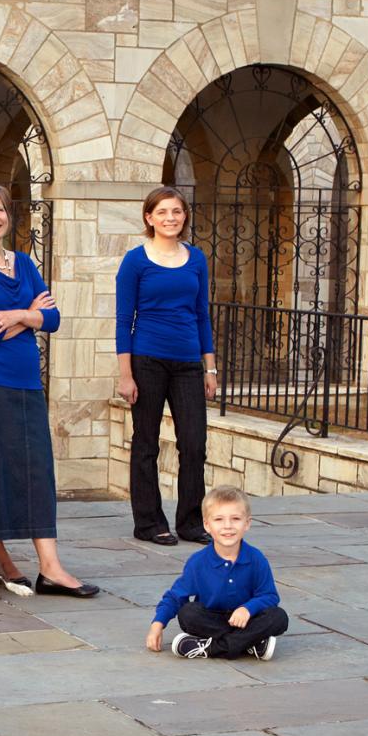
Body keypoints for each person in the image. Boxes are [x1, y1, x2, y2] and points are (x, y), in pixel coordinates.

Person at [0, 184, 98, 599]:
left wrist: (19, 315)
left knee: (37, 471)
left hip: (27, 382)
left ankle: (51, 567)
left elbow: (54, 317)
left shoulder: (24, 262)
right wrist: (32, 316)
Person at [116, 186, 218, 548]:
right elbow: (124, 319)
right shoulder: (135, 261)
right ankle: (148, 522)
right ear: (149, 218)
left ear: (184, 216)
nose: (170, 218)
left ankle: (190, 522)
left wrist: (210, 368)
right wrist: (125, 374)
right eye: (162, 212)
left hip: (189, 363)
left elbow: (202, 315)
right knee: (146, 443)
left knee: (194, 443)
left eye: (176, 212)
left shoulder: (196, 259)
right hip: (147, 360)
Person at [145, 485, 289, 660]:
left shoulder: (256, 559)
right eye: (219, 519)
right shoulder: (198, 562)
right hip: (212, 620)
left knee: (278, 617)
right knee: (188, 614)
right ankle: (250, 643)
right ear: (207, 525)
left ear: (247, 524)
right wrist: (157, 625)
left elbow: (269, 596)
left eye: (235, 518)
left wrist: (248, 608)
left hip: (246, 620)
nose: (227, 526)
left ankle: (211, 648)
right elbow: (176, 597)